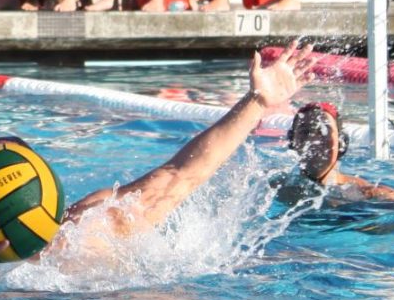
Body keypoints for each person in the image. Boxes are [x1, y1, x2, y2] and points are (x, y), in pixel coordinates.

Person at [49, 40, 317, 254]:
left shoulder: (80, 232)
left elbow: (178, 175)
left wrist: (257, 102)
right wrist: (256, 102)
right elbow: (180, 175)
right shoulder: (88, 230)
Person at [286, 102, 394, 202]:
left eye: (323, 131)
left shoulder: (361, 192)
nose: (313, 139)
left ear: (341, 143)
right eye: (305, 132)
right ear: (292, 142)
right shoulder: (276, 186)